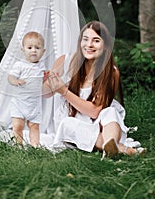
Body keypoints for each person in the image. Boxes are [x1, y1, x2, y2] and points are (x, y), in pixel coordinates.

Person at [45, 21, 145, 157]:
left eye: (96, 40)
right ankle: (120, 148)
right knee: (68, 124)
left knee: (110, 111)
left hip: (99, 122)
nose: (89, 45)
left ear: (105, 46)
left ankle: (110, 145)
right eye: (85, 40)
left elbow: (94, 111)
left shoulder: (111, 72)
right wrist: (47, 81)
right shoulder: (67, 61)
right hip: (74, 120)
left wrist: (63, 91)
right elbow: (45, 93)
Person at [8, 31, 46, 147]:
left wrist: (47, 78)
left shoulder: (41, 66)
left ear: (43, 52)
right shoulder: (20, 65)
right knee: (18, 125)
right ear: (23, 50)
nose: (33, 50)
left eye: (37, 48)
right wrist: (16, 81)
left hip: (34, 104)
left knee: (34, 125)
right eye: (30, 47)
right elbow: (10, 76)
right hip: (19, 102)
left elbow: (41, 81)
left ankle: (35, 145)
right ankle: (18, 145)